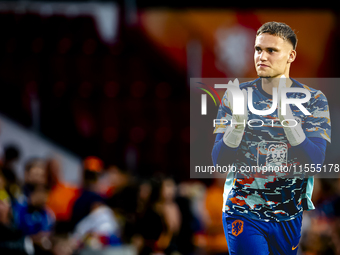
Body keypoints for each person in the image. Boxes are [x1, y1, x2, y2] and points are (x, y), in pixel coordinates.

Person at [212, 22, 331, 255]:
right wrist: (236, 127)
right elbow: (219, 163)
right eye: (258, 49)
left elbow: (316, 161)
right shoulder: (236, 96)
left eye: (271, 50)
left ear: (291, 55)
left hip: (289, 216)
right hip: (244, 210)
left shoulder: (314, 100)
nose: (262, 56)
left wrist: (290, 124)